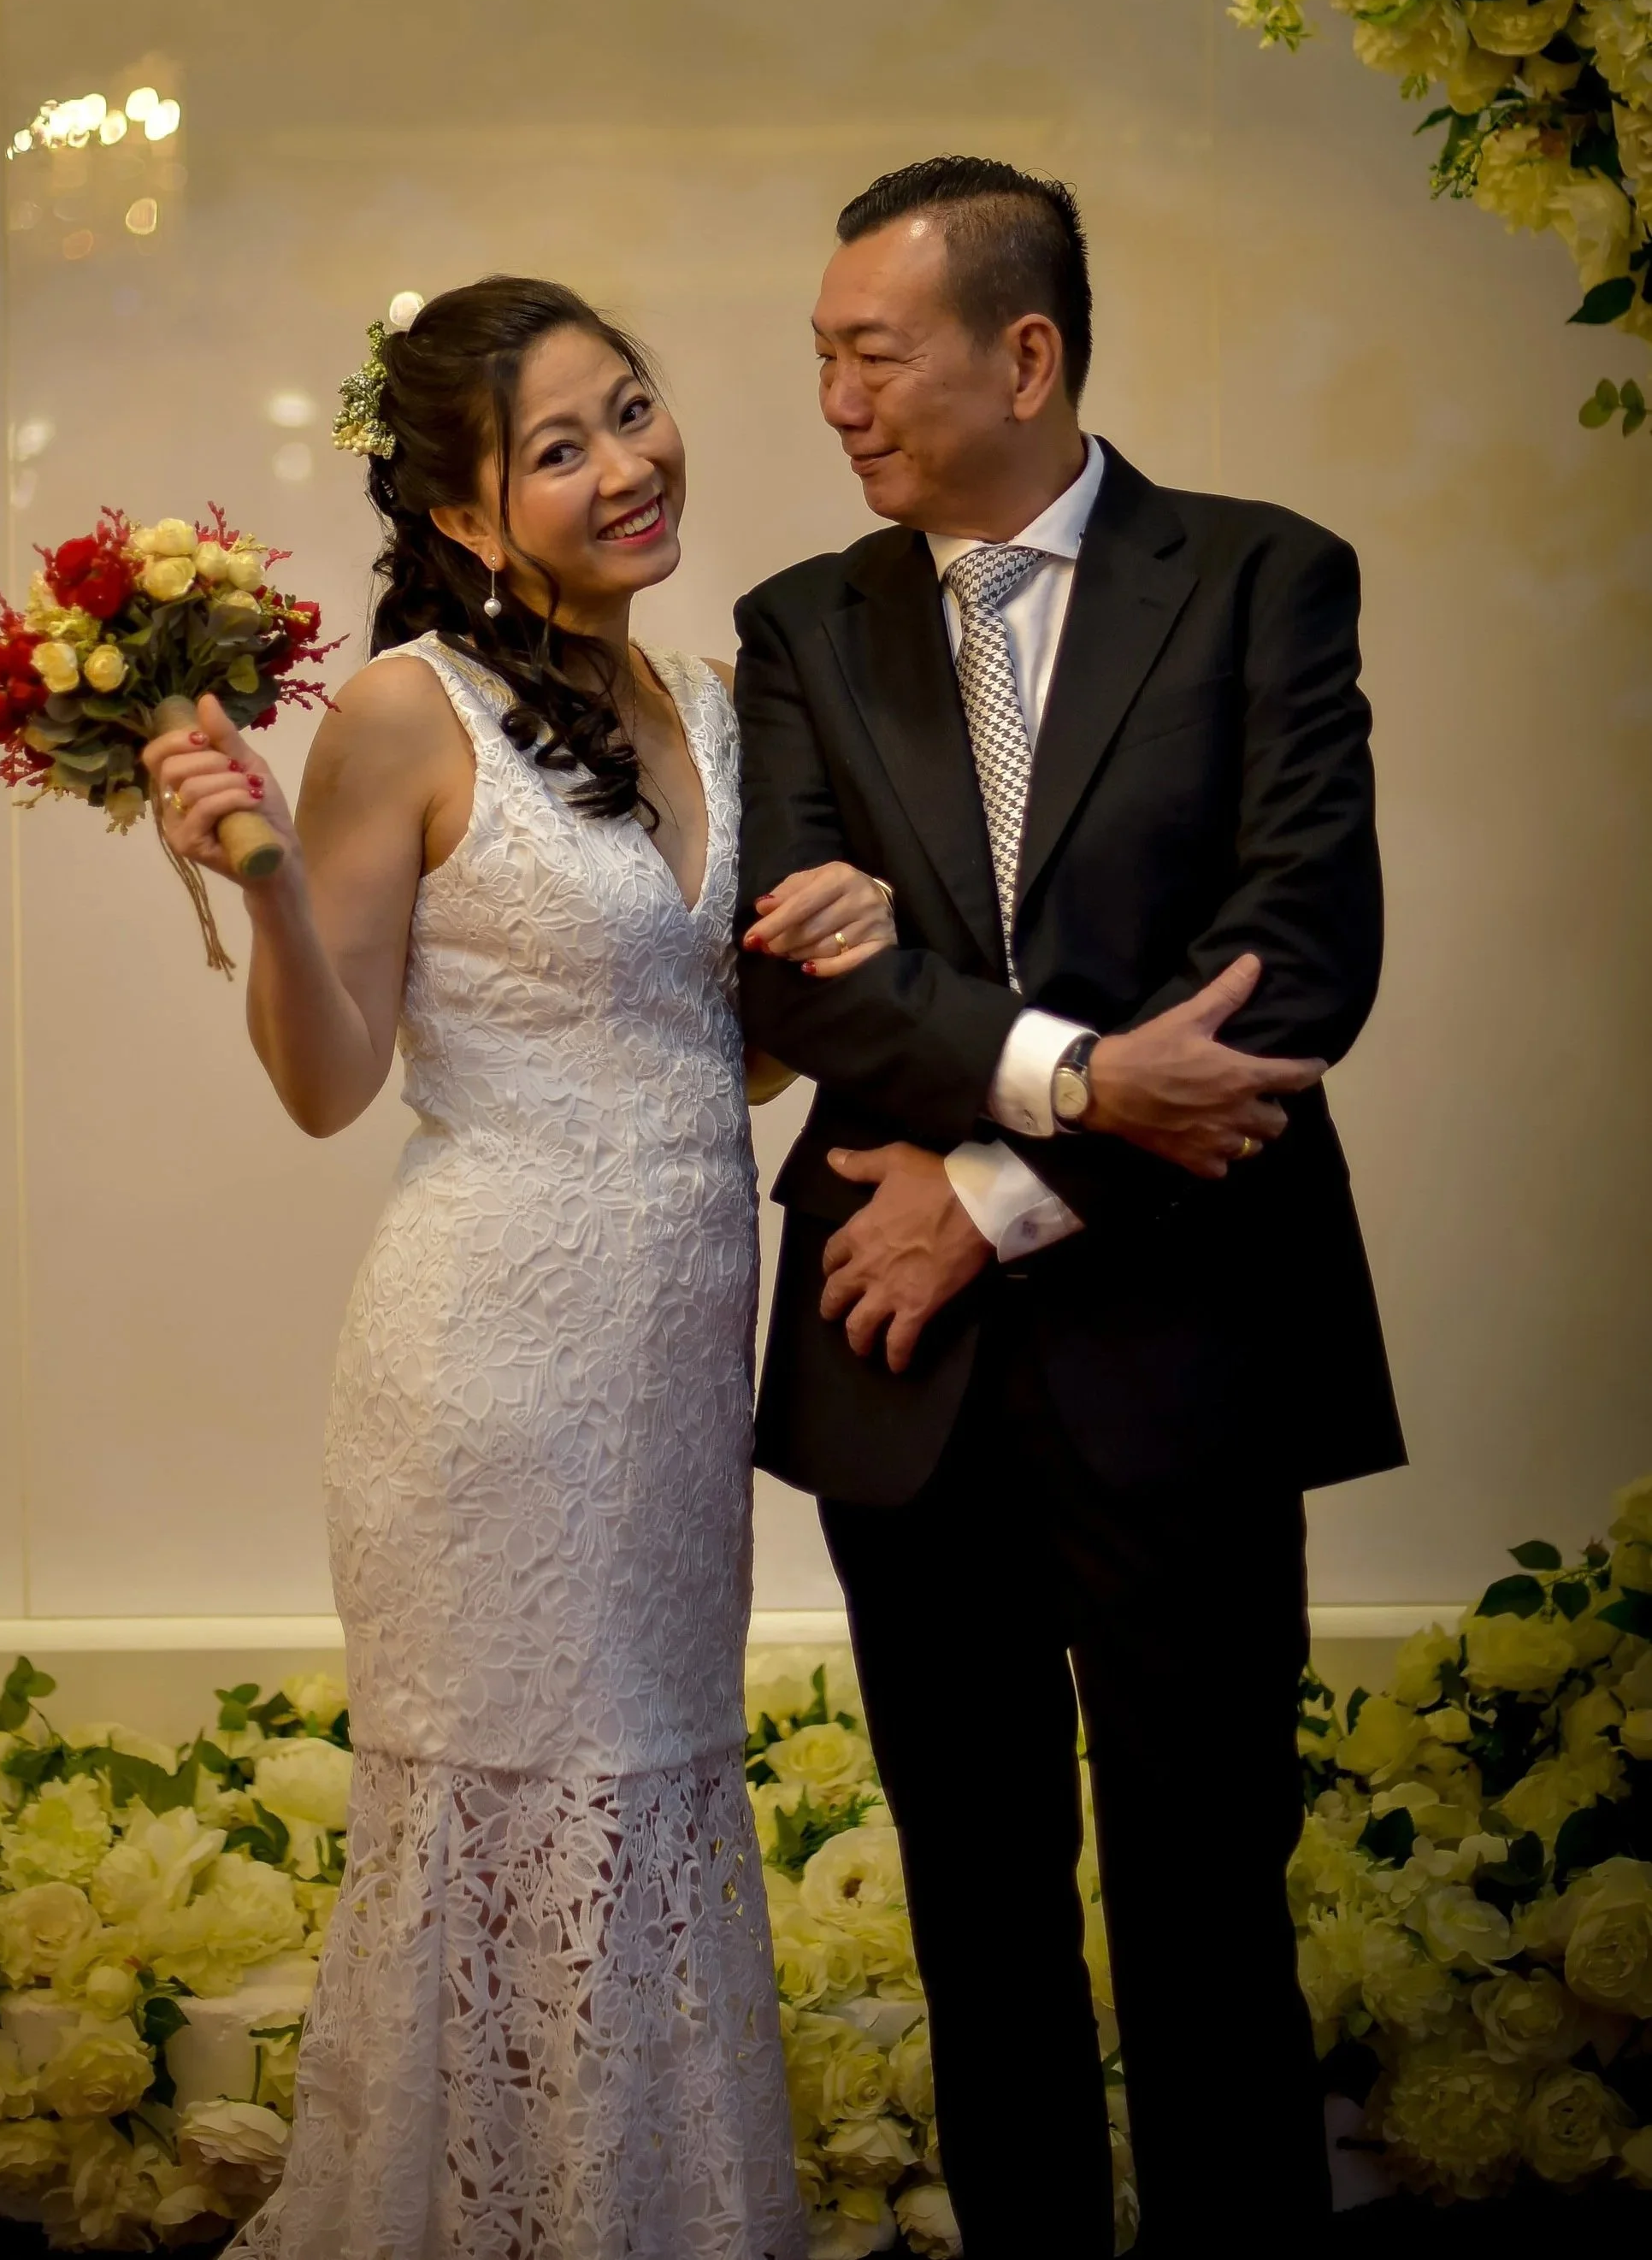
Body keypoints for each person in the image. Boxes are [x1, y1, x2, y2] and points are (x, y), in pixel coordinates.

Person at [147, 274, 893, 2260]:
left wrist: (819, 950)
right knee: (513, 1810)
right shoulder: (407, 709)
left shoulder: (709, 707)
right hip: (485, 1366)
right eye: (557, 448)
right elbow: (330, 1081)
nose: (624, 466)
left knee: (652, 1783)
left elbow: (701, 1065)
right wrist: (257, 890)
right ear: (467, 514)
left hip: (664, 1363)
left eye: (630, 411)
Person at [735, 157, 1404, 2260]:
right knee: (981, 1929)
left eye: (870, 354)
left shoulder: (1259, 581)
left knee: (1210, 1926)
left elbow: (1290, 967)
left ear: (1022, 354)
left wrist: (991, 1193)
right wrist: (1073, 1083)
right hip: (897, 1362)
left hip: (1182, 1350)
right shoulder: (797, 627)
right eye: (819, 359)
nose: (833, 402)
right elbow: (791, 971)